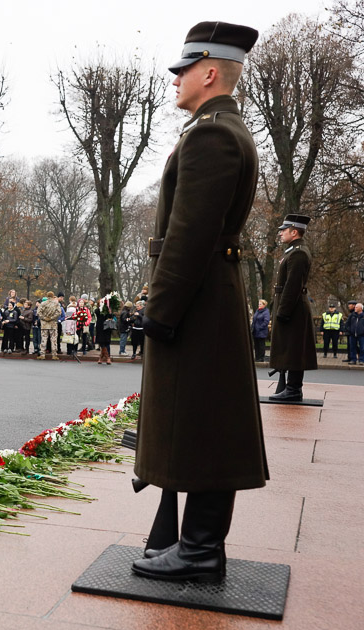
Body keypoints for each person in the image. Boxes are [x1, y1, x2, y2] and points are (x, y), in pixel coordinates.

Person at [132, 21, 266, 584]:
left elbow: (189, 237)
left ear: (210, 72)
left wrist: (159, 312)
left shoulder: (211, 136)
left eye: (183, 70)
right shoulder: (217, 130)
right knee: (208, 420)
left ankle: (200, 549)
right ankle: (194, 542)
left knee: (205, 423)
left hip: (198, 300)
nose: (175, 81)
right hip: (209, 296)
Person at [268, 215, 317, 402]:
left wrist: (283, 311)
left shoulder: (298, 253)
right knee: (290, 347)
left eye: (284, 230)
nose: (280, 233)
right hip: (290, 305)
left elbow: (293, 285)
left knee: (294, 348)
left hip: (293, 307)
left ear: (294, 231)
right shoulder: (293, 251)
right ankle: (291, 387)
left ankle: (294, 389)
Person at [38, 292, 61, 359]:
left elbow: (39, 312)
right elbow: (59, 312)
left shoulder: (43, 303)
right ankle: (54, 354)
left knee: (44, 339)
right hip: (53, 324)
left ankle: (42, 354)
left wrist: (44, 318)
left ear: (47, 296)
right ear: (53, 296)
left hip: (44, 324)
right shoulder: (56, 303)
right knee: (53, 339)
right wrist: (52, 318)